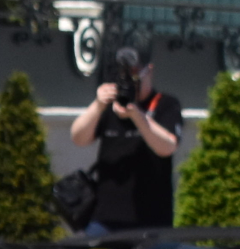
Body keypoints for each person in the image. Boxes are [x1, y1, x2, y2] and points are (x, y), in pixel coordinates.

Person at [68, 51, 183, 234]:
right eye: (123, 76)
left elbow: (167, 147)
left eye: (135, 75)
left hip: (152, 221)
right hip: (105, 219)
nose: (130, 83)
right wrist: (97, 106)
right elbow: (78, 138)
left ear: (149, 71)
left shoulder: (166, 104)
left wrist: (136, 114)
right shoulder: (108, 107)